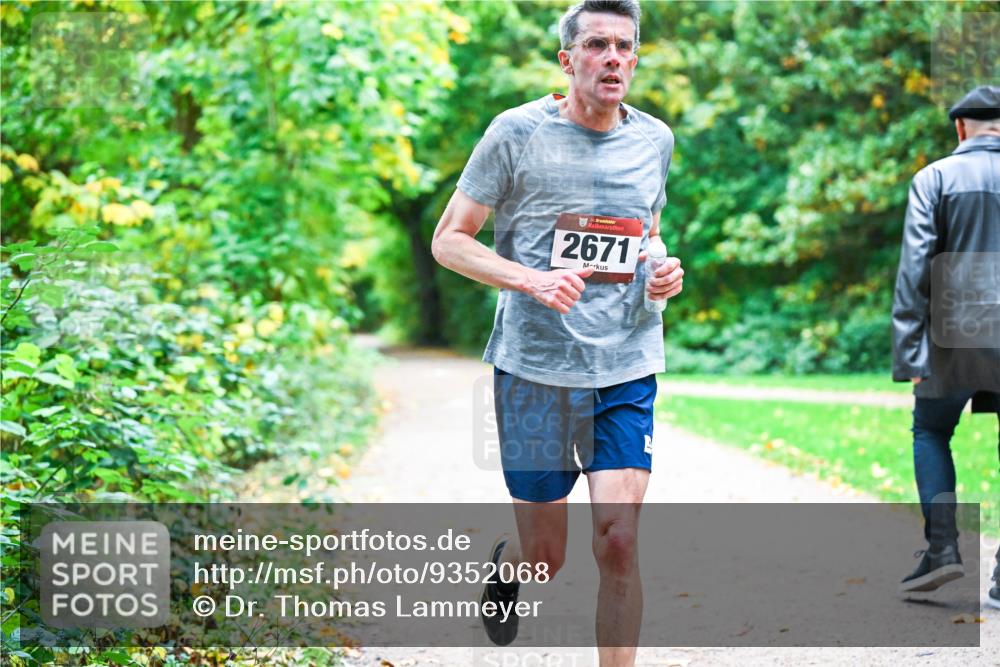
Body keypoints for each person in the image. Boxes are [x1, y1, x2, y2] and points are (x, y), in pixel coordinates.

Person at [431, 1, 682, 663]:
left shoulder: (654, 139)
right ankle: (508, 569)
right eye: (597, 45)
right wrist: (531, 280)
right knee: (546, 556)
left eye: (625, 47)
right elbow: (449, 241)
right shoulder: (515, 134)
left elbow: (646, 232)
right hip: (535, 368)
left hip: (625, 363)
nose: (614, 59)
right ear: (567, 59)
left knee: (619, 540)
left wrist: (660, 270)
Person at [891, 84, 1000, 608]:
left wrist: (910, 350)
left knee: (931, 431)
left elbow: (916, 268)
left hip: (953, 331)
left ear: (961, 128)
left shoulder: (934, 177)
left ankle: (942, 550)